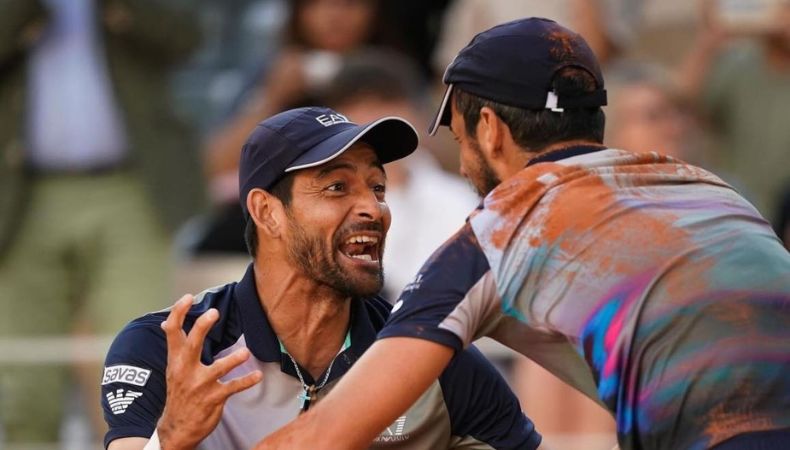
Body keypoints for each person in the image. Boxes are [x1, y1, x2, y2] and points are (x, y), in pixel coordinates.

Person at [255, 18, 790, 450]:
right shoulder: (709, 189)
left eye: (461, 139)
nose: (464, 167)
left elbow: (328, 435)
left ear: (489, 130)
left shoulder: (503, 230)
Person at [101, 106, 543, 450]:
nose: (373, 208)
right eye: (337, 187)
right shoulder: (167, 346)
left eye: (378, 188)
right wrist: (172, 439)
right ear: (266, 212)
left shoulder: (430, 357)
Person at [0, 0, 202, 444]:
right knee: (25, 379)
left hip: (130, 190)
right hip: (17, 197)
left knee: (136, 363)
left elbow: (189, 38)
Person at [321, 50, 479, 297]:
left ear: (417, 114)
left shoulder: (460, 201)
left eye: (385, 105)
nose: (372, 121)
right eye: (359, 108)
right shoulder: (316, 203)